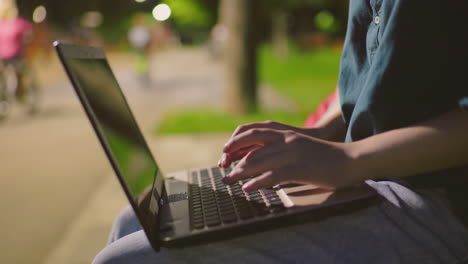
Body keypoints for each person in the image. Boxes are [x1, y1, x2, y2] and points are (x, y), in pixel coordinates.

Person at [93, 1, 468, 263]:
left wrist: (348, 160)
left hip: (437, 201)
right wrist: (321, 133)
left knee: (126, 260)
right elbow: (379, 68)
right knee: (135, 218)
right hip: (368, 177)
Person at [0, 0, 32, 99]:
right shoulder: (18, 23)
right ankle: (21, 93)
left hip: (2, 57)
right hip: (15, 56)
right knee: (22, 71)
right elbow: (29, 34)